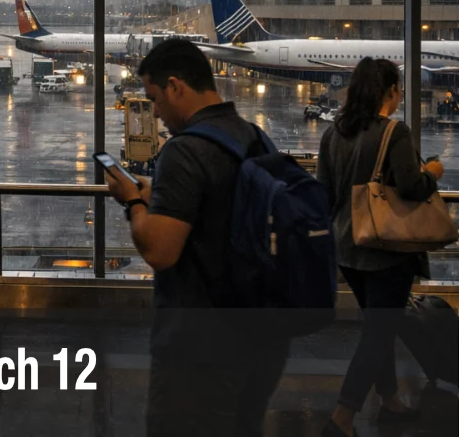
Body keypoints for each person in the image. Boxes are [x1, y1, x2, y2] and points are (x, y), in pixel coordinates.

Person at [102, 39, 288, 437]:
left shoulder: (185, 150)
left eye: (154, 98)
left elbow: (160, 250)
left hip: (202, 346)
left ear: (176, 87)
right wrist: (161, 195)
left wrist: (132, 199)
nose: (154, 111)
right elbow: (217, 211)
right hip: (262, 337)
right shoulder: (254, 138)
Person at [317, 58, 438, 437]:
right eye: (398, 88)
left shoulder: (333, 134)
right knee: (379, 335)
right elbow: (410, 188)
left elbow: (324, 194)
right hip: (386, 250)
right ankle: (342, 418)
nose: (400, 95)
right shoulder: (394, 132)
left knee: (376, 327)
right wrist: (431, 174)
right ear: (388, 92)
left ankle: (390, 402)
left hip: (348, 249)